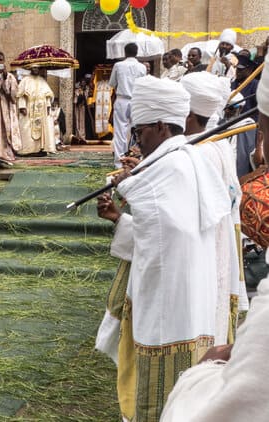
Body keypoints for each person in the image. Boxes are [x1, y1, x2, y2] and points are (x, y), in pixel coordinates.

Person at [96, 75, 232, 422]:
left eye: (140, 132)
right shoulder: (188, 158)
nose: (137, 141)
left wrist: (130, 192)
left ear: (159, 125)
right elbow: (163, 228)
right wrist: (120, 217)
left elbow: (165, 231)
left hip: (169, 303)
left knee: (162, 401)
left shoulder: (170, 167)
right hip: (192, 294)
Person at [160, 58, 269, 422]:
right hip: (217, 248)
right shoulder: (216, 147)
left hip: (201, 253)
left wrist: (202, 374)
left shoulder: (195, 154)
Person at [180, 71, 246, 348]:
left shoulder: (202, 150)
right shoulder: (214, 143)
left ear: (188, 114)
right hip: (219, 234)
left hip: (206, 236)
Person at [109, 43, 147, 168]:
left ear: (125, 52)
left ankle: (120, 162)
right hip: (136, 100)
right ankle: (136, 157)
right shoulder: (142, 67)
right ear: (136, 53)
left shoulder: (118, 65)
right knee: (138, 130)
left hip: (122, 99)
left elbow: (112, 83)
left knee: (120, 131)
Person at [17, 65, 56, 155]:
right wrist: (22, 107)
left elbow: (47, 97)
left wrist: (48, 106)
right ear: (30, 68)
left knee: (42, 128)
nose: (36, 69)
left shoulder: (42, 81)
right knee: (26, 129)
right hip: (28, 109)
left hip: (41, 110)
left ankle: (40, 149)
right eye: (34, 67)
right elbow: (21, 96)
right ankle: (27, 150)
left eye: (38, 68)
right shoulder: (25, 80)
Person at [223, 93, 257, 177]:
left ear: (240, 108)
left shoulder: (248, 126)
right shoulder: (219, 124)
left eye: (231, 108)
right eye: (225, 107)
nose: (227, 111)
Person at [232, 55, 259, 121]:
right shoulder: (232, 82)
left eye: (241, 69)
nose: (237, 71)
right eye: (237, 69)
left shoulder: (256, 85)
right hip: (230, 121)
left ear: (249, 70)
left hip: (247, 123)